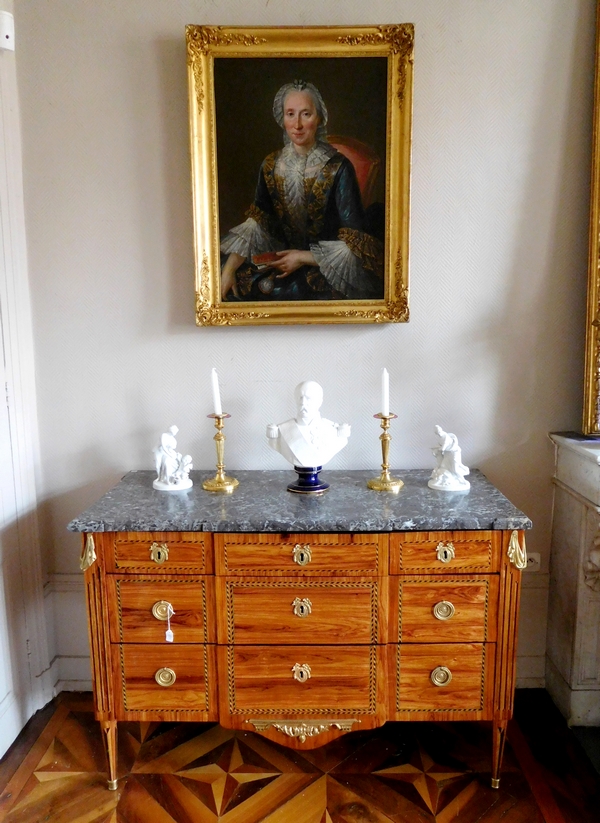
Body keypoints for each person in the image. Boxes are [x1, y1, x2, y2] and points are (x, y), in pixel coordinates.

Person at [220, 80, 383, 302]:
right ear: (282, 119)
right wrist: (228, 271)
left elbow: (355, 244)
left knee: (286, 293)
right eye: (290, 114)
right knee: (235, 282)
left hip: (324, 266)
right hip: (280, 262)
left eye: (306, 114)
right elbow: (258, 223)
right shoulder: (270, 165)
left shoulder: (338, 167)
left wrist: (302, 257)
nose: (297, 124)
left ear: (319, 118)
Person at [267, 380, 350, 467]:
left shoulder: (333, 431)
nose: (303, 403)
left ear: (319, 401)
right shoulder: (282, 430)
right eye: (300, 397)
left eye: (308, 398)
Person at [428, 425, 470, 490]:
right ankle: (445, 478)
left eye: (439, 431)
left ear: (441, 430)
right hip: (447, 453)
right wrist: (435, 448)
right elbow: (440, 445)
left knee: (455, 469)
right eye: (437, 432)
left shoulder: (445, 436)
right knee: (443, 466)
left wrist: (439, 449)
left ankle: (462, 481)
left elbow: (444, 446)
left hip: (454, 453)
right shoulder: (440, 437)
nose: (439, 433)